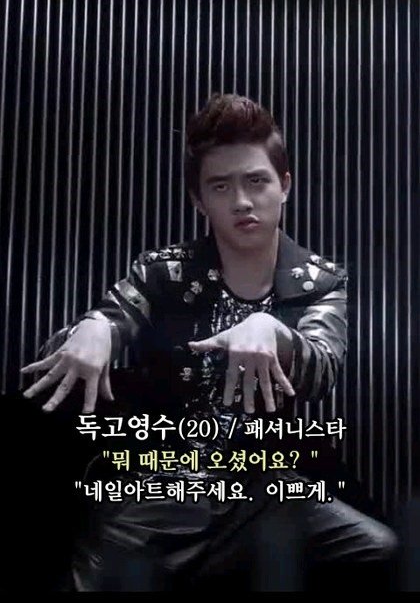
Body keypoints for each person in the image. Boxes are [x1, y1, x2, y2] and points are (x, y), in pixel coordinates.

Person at [21, 93, 399, 591]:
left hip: (261, 488)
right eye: (221, 186)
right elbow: (89, 339)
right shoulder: (164, 272)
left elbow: (322, 369)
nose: (241, 201)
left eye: (257, 181)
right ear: (199, 200)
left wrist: (274, 331)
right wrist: (90, 327)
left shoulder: (319, 282)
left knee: (380, 552)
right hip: (159, 487)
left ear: (284, 186)